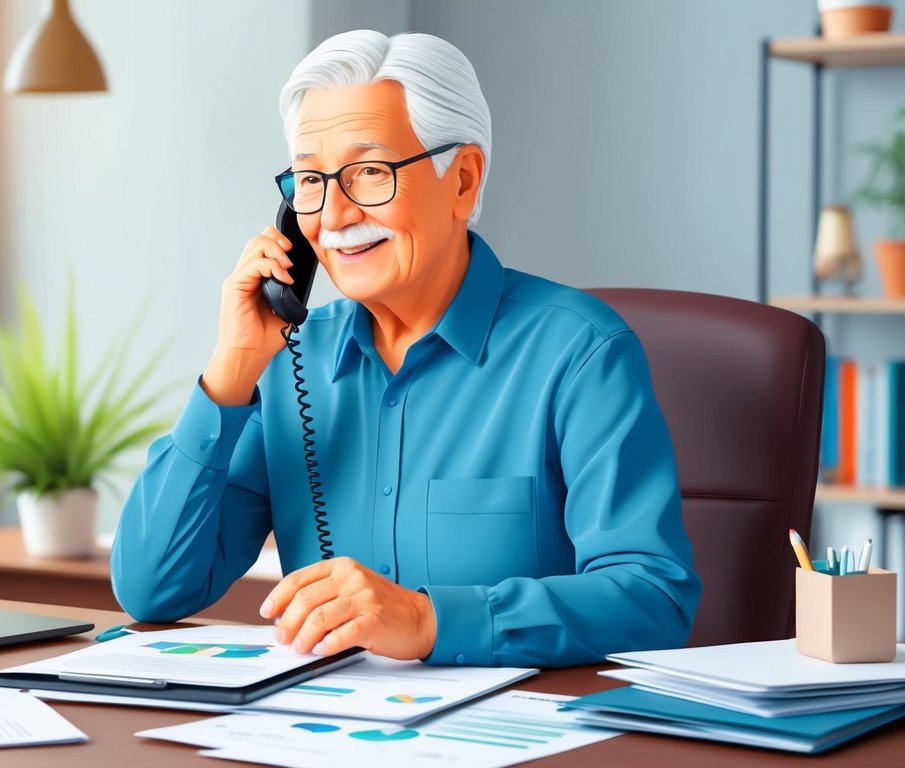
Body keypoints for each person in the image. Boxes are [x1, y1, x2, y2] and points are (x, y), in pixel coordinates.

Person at [110, 30, 700, 668]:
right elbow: (153, 590)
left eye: (370, 171)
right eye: (310, 180)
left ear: (464, 182)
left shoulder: (581, 353)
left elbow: (652, 598)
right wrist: (231, 370)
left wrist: (428, 619)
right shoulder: (290, 361)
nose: (333, 215)